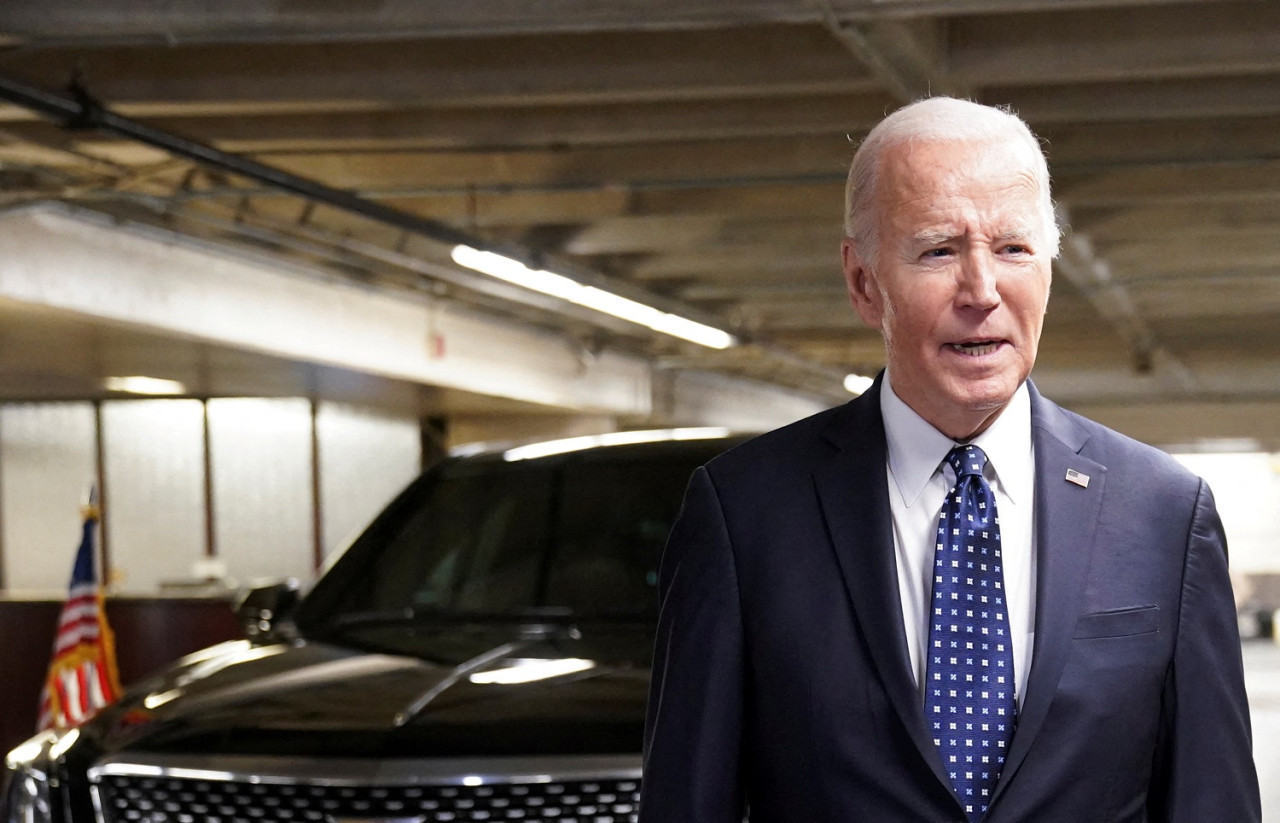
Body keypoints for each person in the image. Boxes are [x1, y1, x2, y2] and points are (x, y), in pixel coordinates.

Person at [639, 97, 1260, 822]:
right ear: (864, 281)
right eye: (939, 249)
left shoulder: (1164, 513)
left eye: (1013, 248)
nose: (983, 291)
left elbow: (1212, 802)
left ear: (1050, 270)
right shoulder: (744, 514)